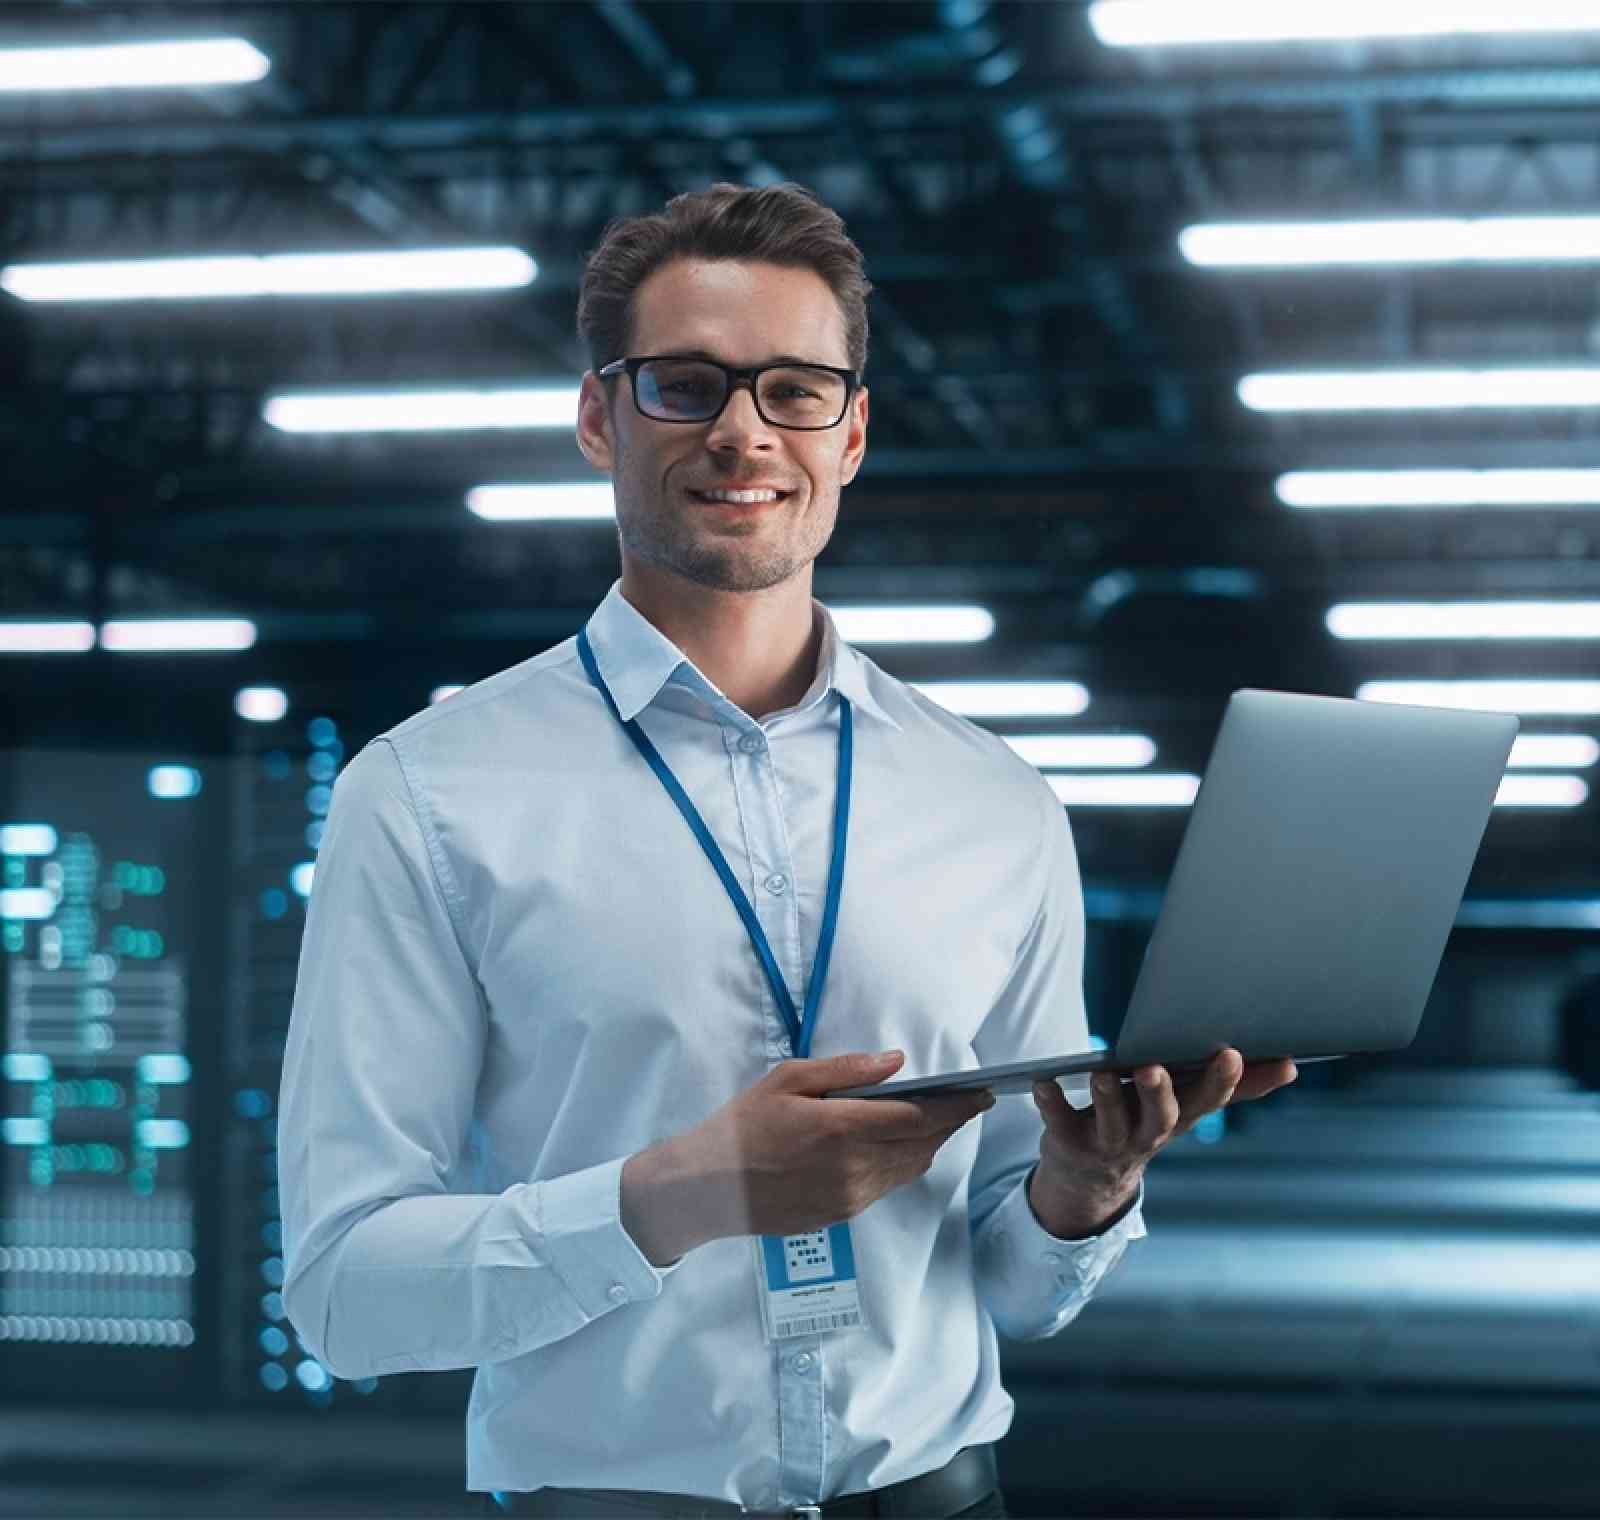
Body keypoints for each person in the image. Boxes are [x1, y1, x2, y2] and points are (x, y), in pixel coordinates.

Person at [276, 181, 1296, 1520]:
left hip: (943, 1495)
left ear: (853, 431)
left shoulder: (991, 799)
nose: (745, 431)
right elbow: (346, 1294)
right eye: (686, 385)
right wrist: (674, 1197)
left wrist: (1079, 1190)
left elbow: (1005, 1282)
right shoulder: (426, 795)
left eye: (796, 390)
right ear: (600, 418)